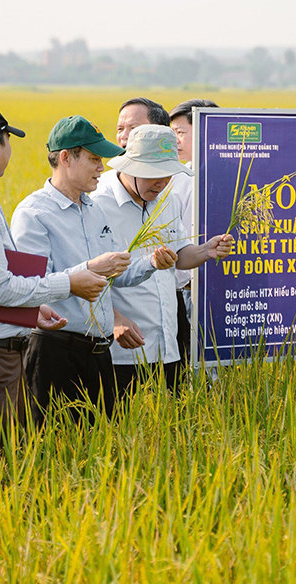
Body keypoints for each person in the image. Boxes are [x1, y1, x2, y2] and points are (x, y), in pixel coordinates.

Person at [0, 99, 107, 460]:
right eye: (8, 140)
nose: (9, 148)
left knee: (11, 458)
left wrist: (31, 311)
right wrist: (70, 283)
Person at [11, 115, 177, 423]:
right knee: (55, 447)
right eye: (93, 159)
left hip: (99, 352)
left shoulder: (93, 209)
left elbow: (114, 274)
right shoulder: (33, 213)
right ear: (65, 158)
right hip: (55, 350)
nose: (102, 167)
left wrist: (151, 263)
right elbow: (28, 286)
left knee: (100, 445)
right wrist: (88, 268)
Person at [92, 125, 234, 396]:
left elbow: (180, 256)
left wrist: (206, 250)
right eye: (153, 174)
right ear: (130, 167)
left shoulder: (165, 201)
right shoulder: (98, 204)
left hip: (168, 344)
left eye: (168, 174)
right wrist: (114, 320)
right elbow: (87, 275)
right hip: (122, 349)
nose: (161, 182)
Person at [169, 98, 219, 362]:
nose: (175, 140)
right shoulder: (176, 176)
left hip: (212, 289)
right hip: (183, 290)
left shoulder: (224, 175)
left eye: (180, 132)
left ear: (205, 128)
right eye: (172, 132)